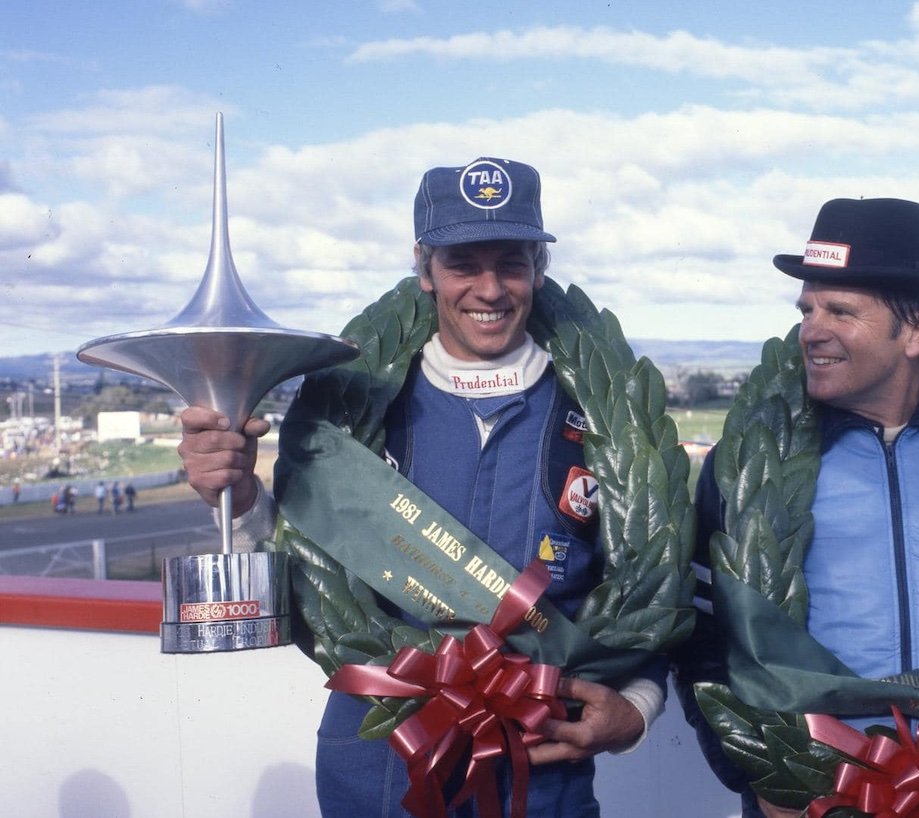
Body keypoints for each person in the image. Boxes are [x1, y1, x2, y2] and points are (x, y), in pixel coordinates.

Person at [176, 157, 663, 817]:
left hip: (539, 758)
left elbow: (653, 583)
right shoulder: (357, 403)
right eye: (464, 263)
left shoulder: (607, 410)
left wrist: (637, 707)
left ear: (538, 270)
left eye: (512, 263)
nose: (490, 289)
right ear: (424, 267)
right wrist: (236, 498)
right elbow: (305, 562)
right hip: (380, 753)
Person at [674, 198, 919, 818]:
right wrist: (758, 778)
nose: (811, 330)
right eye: (807, 309)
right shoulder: (751, 467)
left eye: (842, 310)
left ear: (917, 330)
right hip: (808, 803)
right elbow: (705, 635)